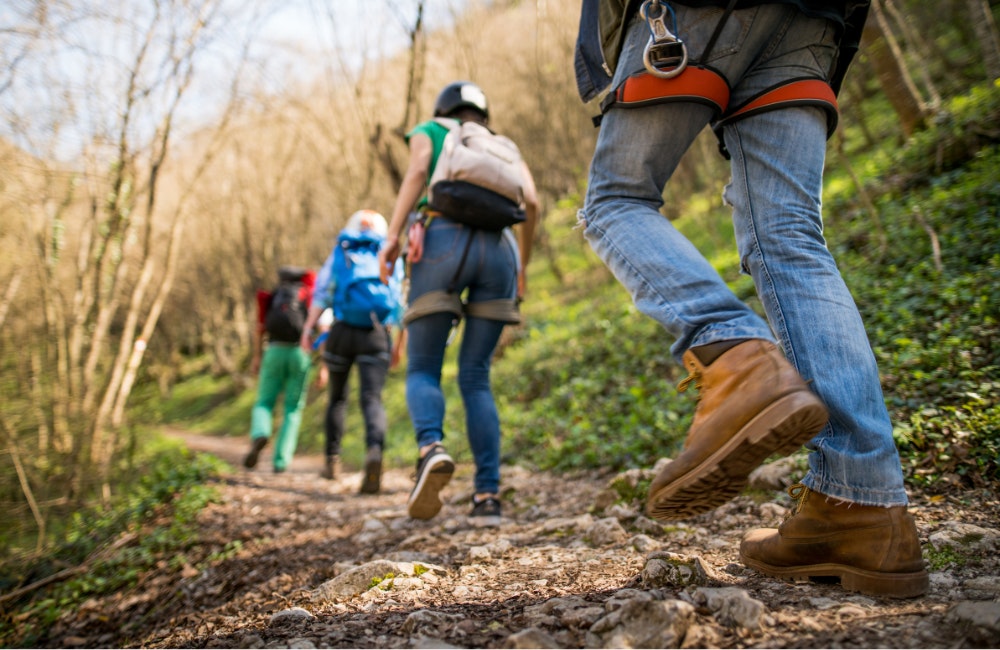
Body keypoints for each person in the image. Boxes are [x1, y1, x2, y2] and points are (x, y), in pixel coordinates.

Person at [573, 0, 927, 598]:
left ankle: (733, 356)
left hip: (693, 14)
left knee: (616, 200)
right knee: (789, 238)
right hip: (817, 21)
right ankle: (862, 503)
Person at [379, 81, 540, 526]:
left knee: (424, 366)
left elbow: (416, 174)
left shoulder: (430, 129)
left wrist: (392, 237)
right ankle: (487, 496)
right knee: (476, 376)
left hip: (442, 241)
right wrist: (521, 265)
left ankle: (431, 448)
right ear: (483, 115)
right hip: (500, 252)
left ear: (443, 108)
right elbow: (532, 201)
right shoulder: (501, 145)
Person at [300, 210, 404, 494]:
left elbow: (322, 292)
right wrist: (398, 343)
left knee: (337, 398)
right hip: (376, 332)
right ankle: (374, 452)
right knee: (372, 398)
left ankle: (332, 461)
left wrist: (309, 327)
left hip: (342, 331)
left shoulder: (341, 251)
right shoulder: (388, 251)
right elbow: (398, 300)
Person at [244, 266, 317, 473]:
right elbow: (319, 326)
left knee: (264, 402)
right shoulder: (307, 296)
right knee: (292, 409)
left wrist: (257, 357)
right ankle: (281, 461)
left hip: (274, 351)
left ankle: (260, 433)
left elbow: (259, 329)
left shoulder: (273, 297)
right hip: (299, 354)